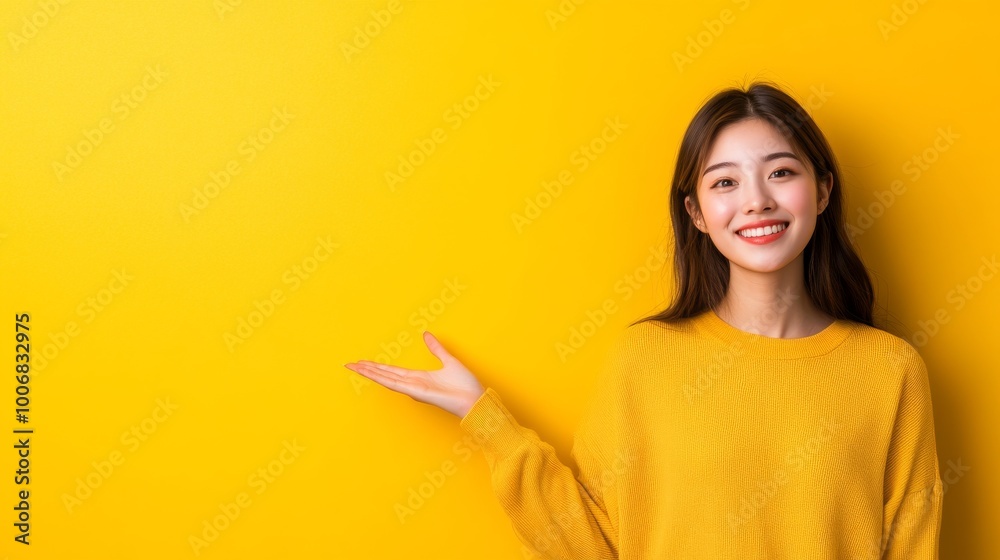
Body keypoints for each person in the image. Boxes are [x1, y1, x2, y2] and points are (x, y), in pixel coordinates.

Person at [344, 81, 943, 559]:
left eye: (781, 172)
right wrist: (486, 420)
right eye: (725, 182)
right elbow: (594, 544)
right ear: (698, 214)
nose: (757, 199)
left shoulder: (890, 372)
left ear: (823, 190)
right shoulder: (647, 359)